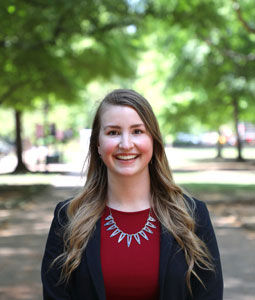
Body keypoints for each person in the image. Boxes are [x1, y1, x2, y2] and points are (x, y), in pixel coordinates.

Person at [41, 89, 223, 300]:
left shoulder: (192, 215)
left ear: (153, 141)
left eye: (137, 131)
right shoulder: (68, 217)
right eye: (113, 132)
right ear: (98, 145)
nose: (126, 144)